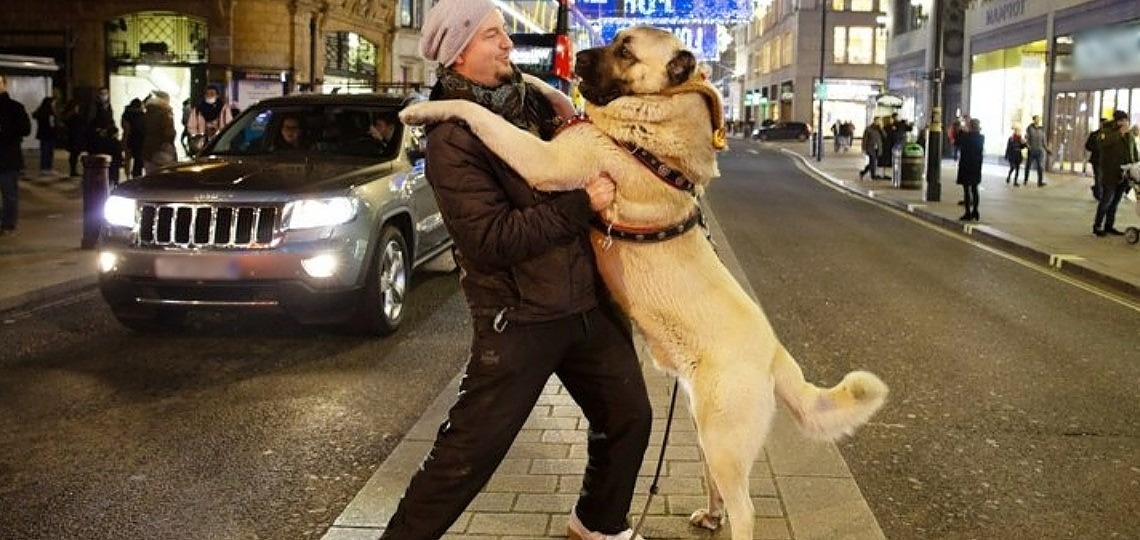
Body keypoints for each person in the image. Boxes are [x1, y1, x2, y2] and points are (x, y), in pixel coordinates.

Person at [379, 1, 652, 539]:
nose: (507, 43)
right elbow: (489, 240)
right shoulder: (452, 139)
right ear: (459, 53)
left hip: (582, 303)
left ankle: (596, 525)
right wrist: (582, 204)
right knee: (466, 458)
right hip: (520, 317)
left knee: (629, 415)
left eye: (503, 32)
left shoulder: (529, 101)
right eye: (492, 36)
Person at [1092, 110, 1138, 237]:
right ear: (1116, 121)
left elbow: (1133, 151)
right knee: (1107, 199)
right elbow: (1102, 144)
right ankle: (1097, 226)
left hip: (1124, 173)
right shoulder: (1106, 131)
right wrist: (1119, 133)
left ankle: (1109, 226)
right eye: (1122, 120)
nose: (1124, 123)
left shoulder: (1128, 135)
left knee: (1116, 201)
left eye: (1126, 120)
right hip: (1110, 172)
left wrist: (1135, 166)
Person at [0, 74, 31, 235]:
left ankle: (8, 224)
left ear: (4, 84)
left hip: (7, 157)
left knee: (9, 193)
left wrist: (6, 130)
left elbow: (26, 129)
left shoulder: (14, 107)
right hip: (8, 157)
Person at [187, 84, 233, 155]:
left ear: (217, 95)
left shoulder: (224, 109)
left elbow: (229, 124)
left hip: (220, 143)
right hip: (201, 144)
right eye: (207, 94)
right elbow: (191, 126)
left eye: (212, 94)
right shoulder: (198, 109)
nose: (209, 96)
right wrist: (198, 136)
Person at [141, 90, 177, 174]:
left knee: (150, 177)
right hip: (162, 149)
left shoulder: (147, 112)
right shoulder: (165, 113)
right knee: (164, 179)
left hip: (148, 150)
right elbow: (169, 133)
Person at [956, 118, 984, 221]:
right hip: (976, 166)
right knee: (975, 188)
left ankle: (968, 212)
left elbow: (957, 142)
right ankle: (975, 211)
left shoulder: (966, 137)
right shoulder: (981, 137)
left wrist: (961, 130)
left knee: (966, 190)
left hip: (966, 165)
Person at [32, 96, 59, 175]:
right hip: (49, 135)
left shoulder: (40, 112)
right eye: (53, 102)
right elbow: (52, 125)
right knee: (49, 152)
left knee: (44, 152)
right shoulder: (50, 113)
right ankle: (48, 168)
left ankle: (43, 168)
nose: (54, 104)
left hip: (42, 134)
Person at [121, 98, 146, 178]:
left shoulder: (126, 114)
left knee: (128, 159)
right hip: (138, 140)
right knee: (138, 160)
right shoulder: (141, 114)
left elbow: (125, 129)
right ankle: (135, 177)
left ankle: (128, 176)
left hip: (130, 139)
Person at [62, 100, 86, 177]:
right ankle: (73, 171)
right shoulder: (74, 116)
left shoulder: (68, 116)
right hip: (75, 138)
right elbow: (79, 127)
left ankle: (73, 170)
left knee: (73, 155)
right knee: (74, 155)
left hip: (72, 138)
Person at [1024, 114, 1049, 186]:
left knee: (1040, 167)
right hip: (1032, 150)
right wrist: (1028, 146)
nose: (1038, 120)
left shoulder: (1042, 129)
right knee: (1028, 166)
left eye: (1039, 119)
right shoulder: (1029, 128)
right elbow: (1027, 138)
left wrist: (1047, 149)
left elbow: (1044, 140)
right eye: (1036, 119)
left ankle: (1040, 182)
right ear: (1034, 120)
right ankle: (1026, 180)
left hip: (1039, 151)